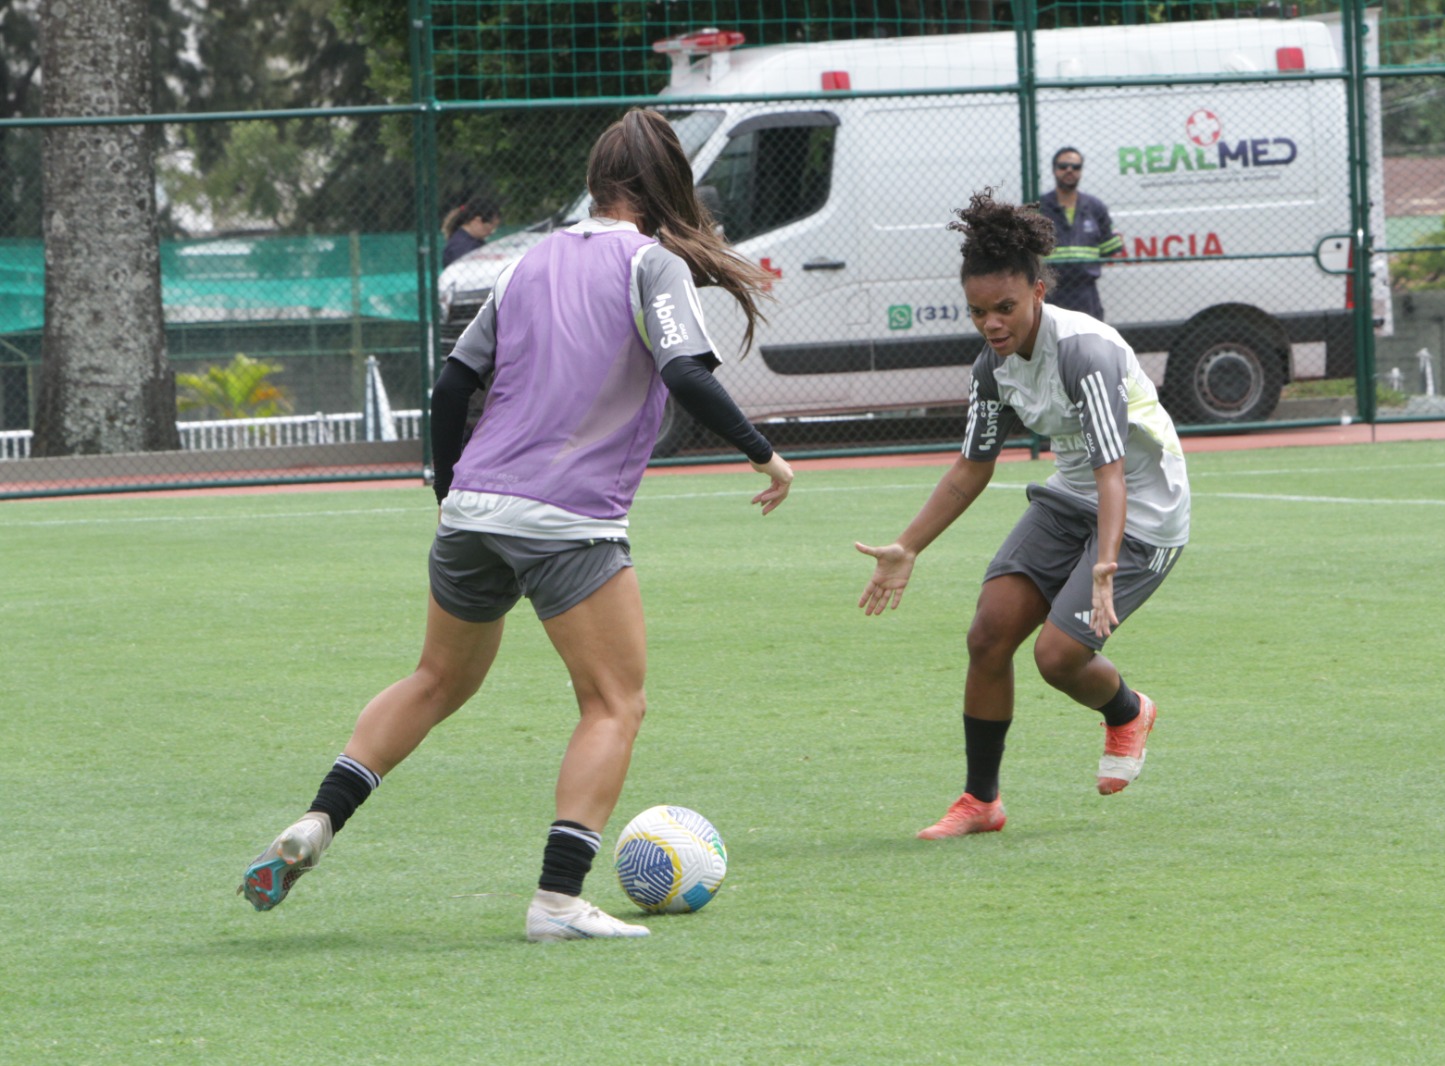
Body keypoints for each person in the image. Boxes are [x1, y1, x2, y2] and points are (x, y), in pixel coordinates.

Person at [240, 108, 795, 941]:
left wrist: (450, 501)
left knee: (437, 680)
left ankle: (320, 818)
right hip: (569, 519)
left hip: (473, 509)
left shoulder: (527, 262)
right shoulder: (653, 263)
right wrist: (764, 454)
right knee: (615, 702)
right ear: (662, 187)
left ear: (597, 181)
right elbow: (684, 371)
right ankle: (558, 902)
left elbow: (451, 385)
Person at [855, 189, 1188, 840]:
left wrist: (1104, 569)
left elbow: (1112, 470)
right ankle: (982, 802)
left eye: (1005, 307)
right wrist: (909, 546)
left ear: (1038, 291)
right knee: (989, 634)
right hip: (1071, 494)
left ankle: (1127, 710)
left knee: (1058, 656)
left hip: (1144, 510)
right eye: (979, 312)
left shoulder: (1082, 353)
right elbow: (972, 467)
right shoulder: (993, 366)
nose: (992, 324)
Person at [1037, 147, 1122, 320]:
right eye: (1063, 166)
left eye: (1075, 167)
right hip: (1049, 291)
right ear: (1054, 170)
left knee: (1090, 343)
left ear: (1081, 171)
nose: (1069, 170)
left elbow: (1109, 247)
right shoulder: (1039, 208)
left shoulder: (1095, 207)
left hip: (1085, 293)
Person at [441, 194, 501, 268]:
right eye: (492, 227)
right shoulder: (462, 247)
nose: (491, 232)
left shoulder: (471, 241)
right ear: (477, 221)